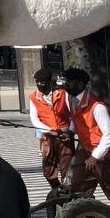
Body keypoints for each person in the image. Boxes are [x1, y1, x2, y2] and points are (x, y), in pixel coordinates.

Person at [63, 69, 110, 210]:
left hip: (104, 156)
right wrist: (70, 132)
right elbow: (76, 119)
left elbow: (108, 135)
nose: (66, 84)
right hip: (85, 150)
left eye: (69, 82)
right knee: (76, 187)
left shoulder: (98, 107)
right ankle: (86, 216)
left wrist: (95, 157)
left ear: (80, 84)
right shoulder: (72, 100)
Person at [28, 67, 74, 203]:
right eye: (37, 82)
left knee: (67, 169)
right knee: (48, 171)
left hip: (65, 135)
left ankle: (68, 195)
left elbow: (74, 114)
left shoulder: (63, 94)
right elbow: (34, 119)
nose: (40, 85)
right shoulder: (34, 97)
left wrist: (70, 131)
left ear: (49, 81)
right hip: (48, 137)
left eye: (42, 82)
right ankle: (59, 190)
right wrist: (49, 130)